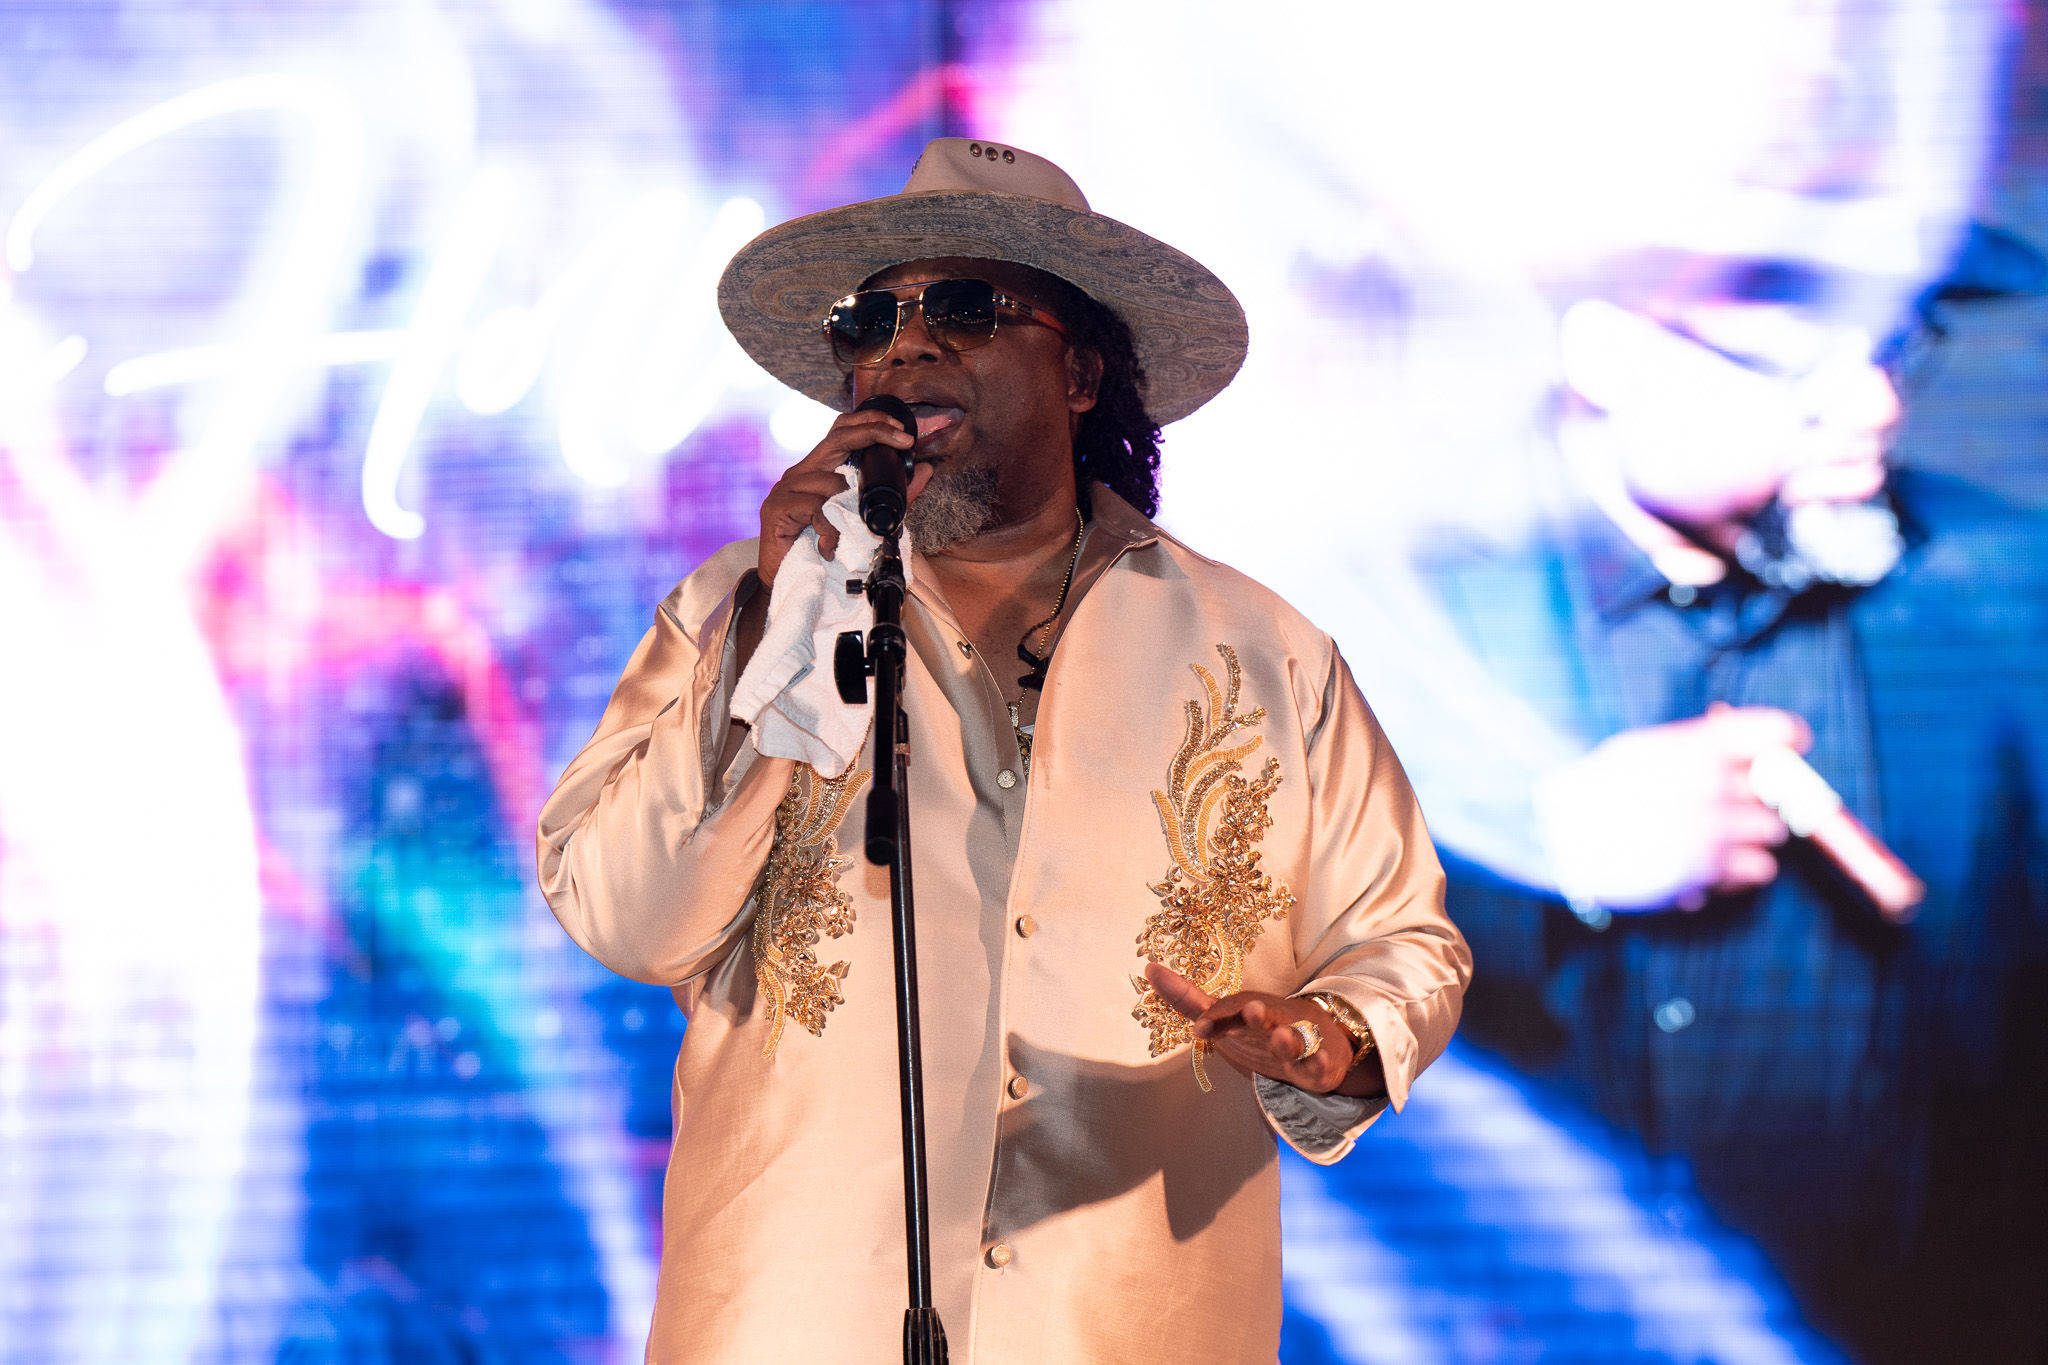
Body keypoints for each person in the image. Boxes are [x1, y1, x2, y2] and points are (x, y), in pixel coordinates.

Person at [534, 138, 1469, 1363]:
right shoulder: (738, 611)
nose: (906, 347)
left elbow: (1402, 936)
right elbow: (625, 919)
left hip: (1124, 1321)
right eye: (872, 319)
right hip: (796, 1320)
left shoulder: (1260, 652)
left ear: (1079, 372)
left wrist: (1327, 1038)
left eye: (965, 309)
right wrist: (774, 620)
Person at [1427, 238, 2048, 1364]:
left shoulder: (2010, 589)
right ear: (1609, 353)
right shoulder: (1402, 618)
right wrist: (1546, 862)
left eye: (1893, 344)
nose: (1875, 403)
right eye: (1802, 362)